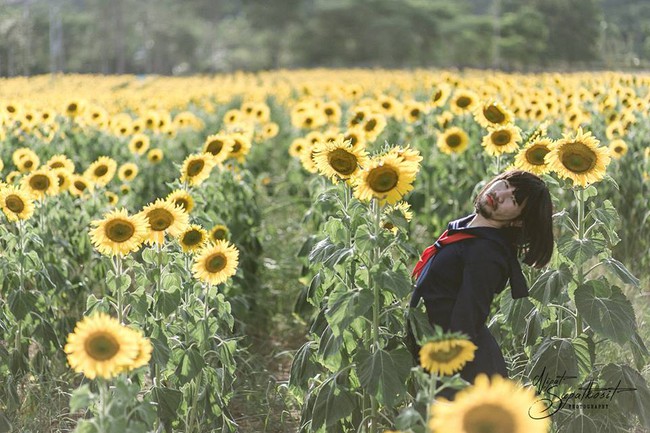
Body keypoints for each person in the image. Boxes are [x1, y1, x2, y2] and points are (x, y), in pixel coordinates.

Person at [408, 169, 554, 400]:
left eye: (514, 199)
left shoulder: (487, 253)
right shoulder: (469, 232)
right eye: (505, 184)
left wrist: (440, 380)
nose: (501, 194)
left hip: (460, 372)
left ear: (517, 221)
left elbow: (465, 321)